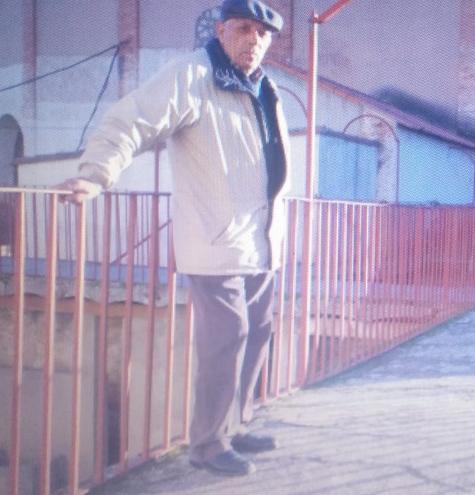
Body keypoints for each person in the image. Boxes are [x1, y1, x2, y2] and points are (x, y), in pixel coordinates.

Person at [58, 0, 291, 477]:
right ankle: (207, 444)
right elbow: (133, 120)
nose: (255, 40)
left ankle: (237, 424)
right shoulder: (192, 76)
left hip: (262, 242)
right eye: (244, 29)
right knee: (228, 339)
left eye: (263, 33)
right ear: (222, 30)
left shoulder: (265, 89)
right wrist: (96, 175)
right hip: (216, 242)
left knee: (257, 334)